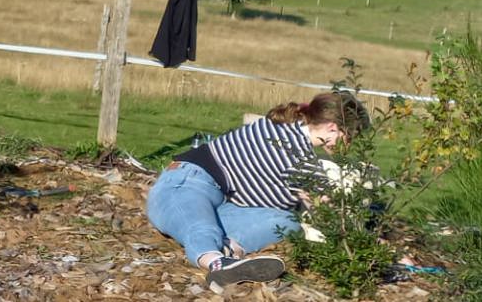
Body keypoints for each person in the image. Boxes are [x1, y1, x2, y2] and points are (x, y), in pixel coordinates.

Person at [146, 91, 369, 289]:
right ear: (333, 128)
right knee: (198, 223)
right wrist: (368, 244)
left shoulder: (286, 125)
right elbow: (330, 215)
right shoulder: (294, 149)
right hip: (189, 180)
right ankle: (216, 262)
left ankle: (230, 253)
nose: (348, 146)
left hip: (224, 203)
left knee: (286, 222)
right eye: (350, 137)